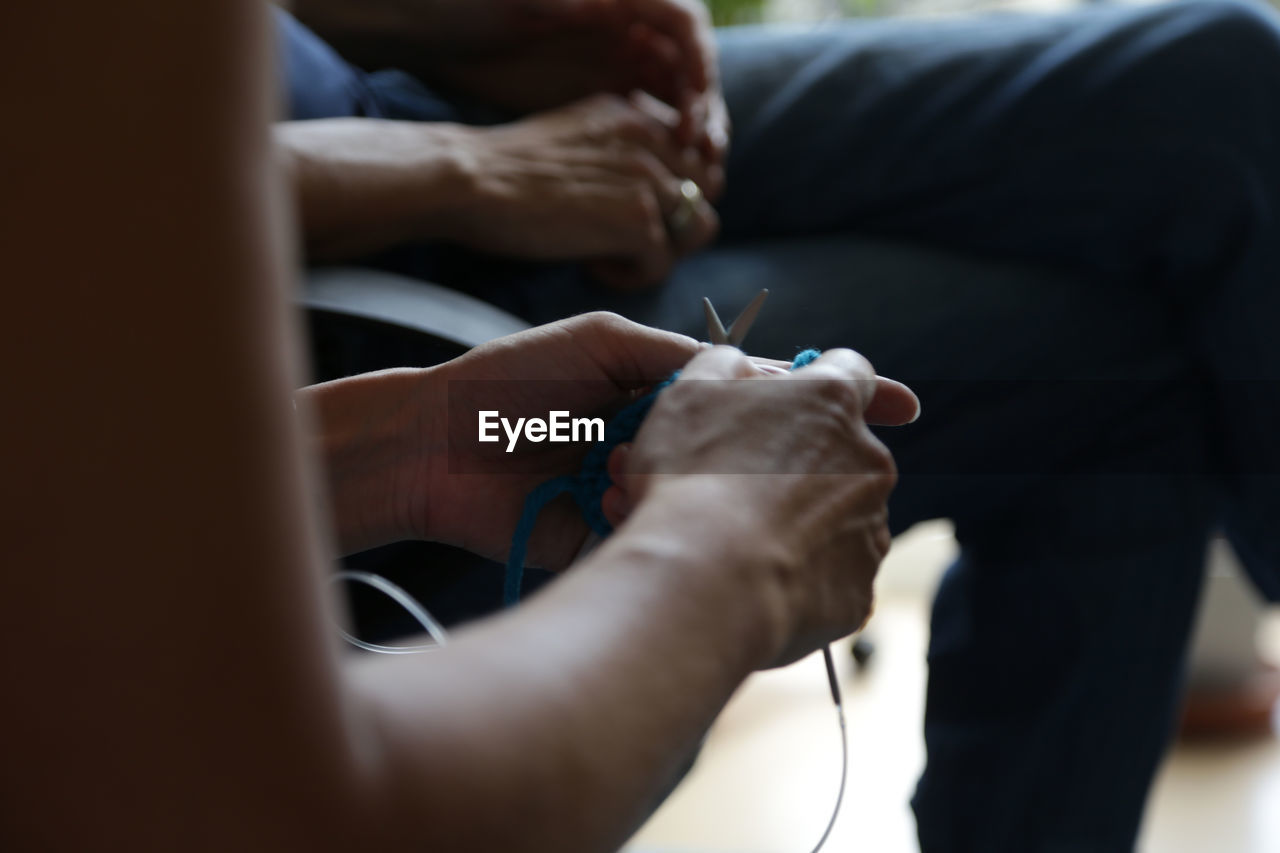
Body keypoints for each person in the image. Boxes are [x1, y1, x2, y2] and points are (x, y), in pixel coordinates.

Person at [274, 0, 1280, 850]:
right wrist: (467, 174)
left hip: (377, 101)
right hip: (352, 274)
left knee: (1228, 74)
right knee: (1116, 363)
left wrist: (496, 25)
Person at [1, 1, 927, 849]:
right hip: (407, 261)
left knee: (1073, 180)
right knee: (1049, 346)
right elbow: (261, 811)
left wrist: (412, 445)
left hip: (413, 203)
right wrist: (734, 557)